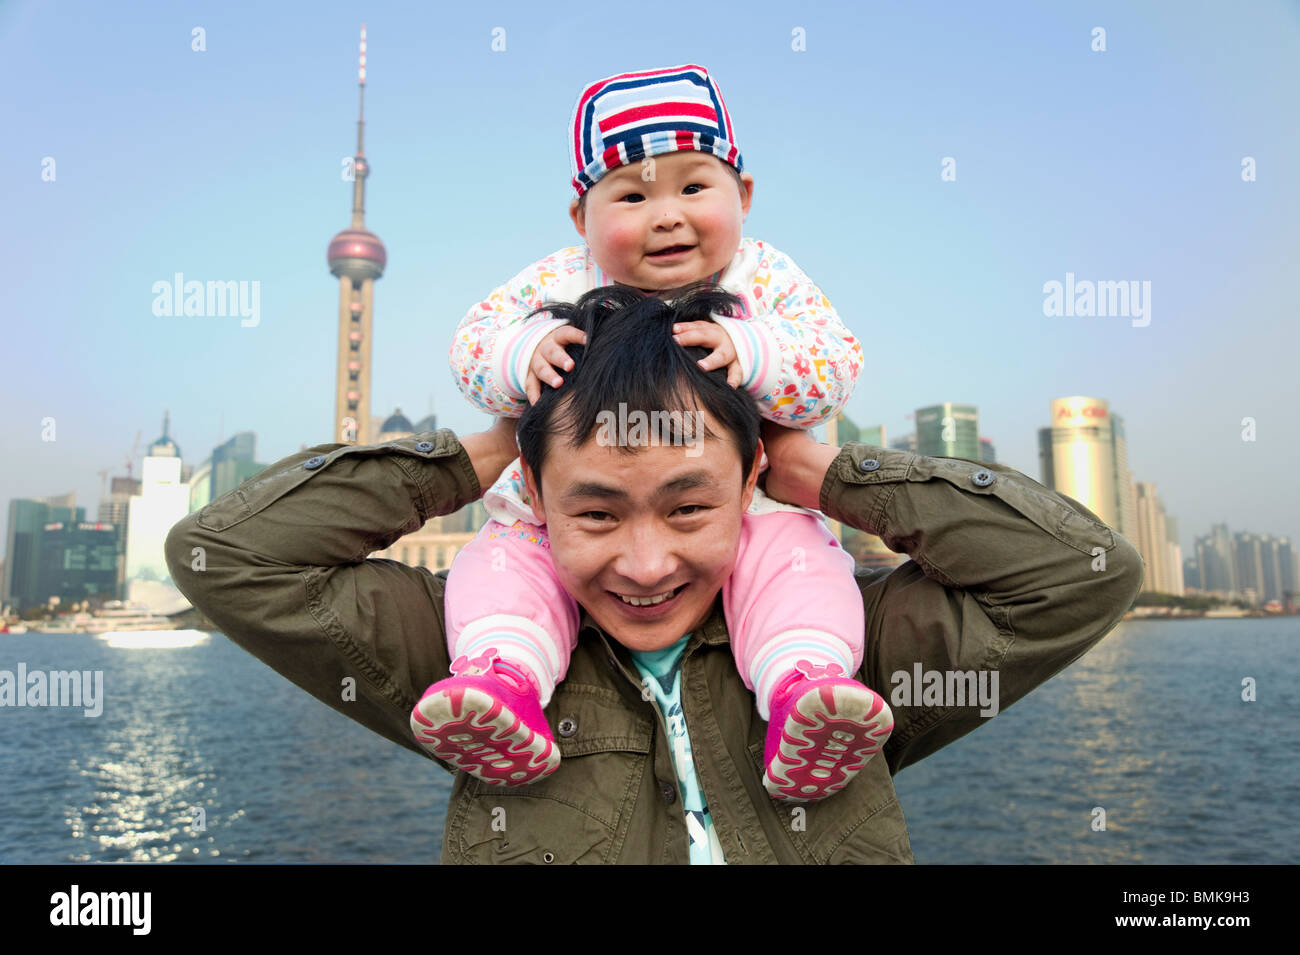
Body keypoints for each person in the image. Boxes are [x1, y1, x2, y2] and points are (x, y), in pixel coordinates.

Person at [164, 285, 1144, 865]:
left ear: (750, 480)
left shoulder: (851, 659)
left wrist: (831, 474)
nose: (643, 564)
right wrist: (482, 451)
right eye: (594, 510)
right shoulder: (464, 666)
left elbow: (1079, 572)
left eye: (687, 506)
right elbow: (225, 554)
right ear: (537, 500)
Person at [432, 63, 886, 804]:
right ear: (582, 219)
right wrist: (520, 355)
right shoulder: (560, 280)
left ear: (743, 196)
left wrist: (758, 351)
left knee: (799, 567)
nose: (666, 215)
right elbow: (471, 342)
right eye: (634, 195)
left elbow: (836, 359)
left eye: (693, 187)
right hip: (550, 519)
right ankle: (500, 682)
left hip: (751, 507)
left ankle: (806, 690)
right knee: (502, 567)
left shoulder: (762, 279)